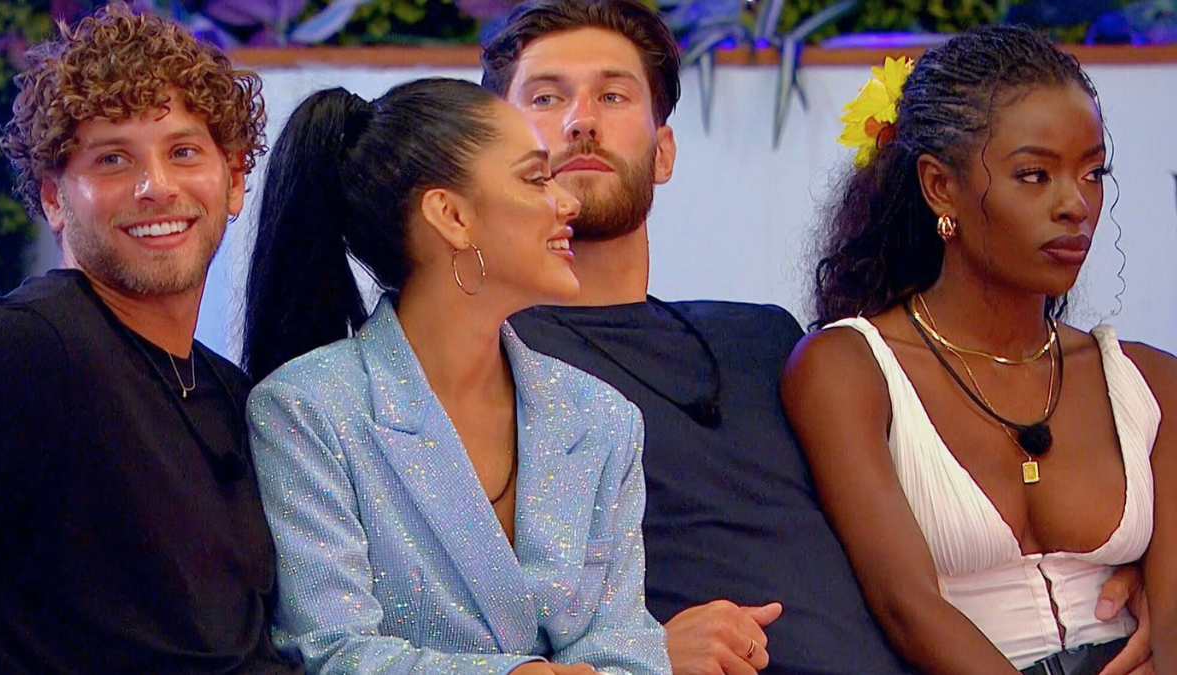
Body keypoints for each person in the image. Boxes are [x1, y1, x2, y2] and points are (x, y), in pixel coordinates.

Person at [482, 2, 1157, 674]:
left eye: (612, 95)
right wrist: (636, 655)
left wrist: (1133, 574)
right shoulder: (483, 360)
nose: (581, 120)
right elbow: (444, 621)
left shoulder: (764, 341)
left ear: (664, 153)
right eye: (546, 97)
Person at [241, 78, 670, 675]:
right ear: (451, 215)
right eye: (535, 178)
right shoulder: (306, 410)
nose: (567, 202)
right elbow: (332, 651)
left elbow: (628, 649)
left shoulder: (604, 418)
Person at [782, 25, 1175, 675]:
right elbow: (906, 606)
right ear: (940, 186)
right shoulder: (848, 367)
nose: (1076, 205)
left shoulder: (1150, 381)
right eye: (1034, 175)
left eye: (1093, 172)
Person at [0, 3, 302, 673]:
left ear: (233, 179)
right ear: (54, 197)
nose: (157, 187)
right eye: (112, 159)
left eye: (183, 152)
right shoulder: (25, 349)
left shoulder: (231, 394)